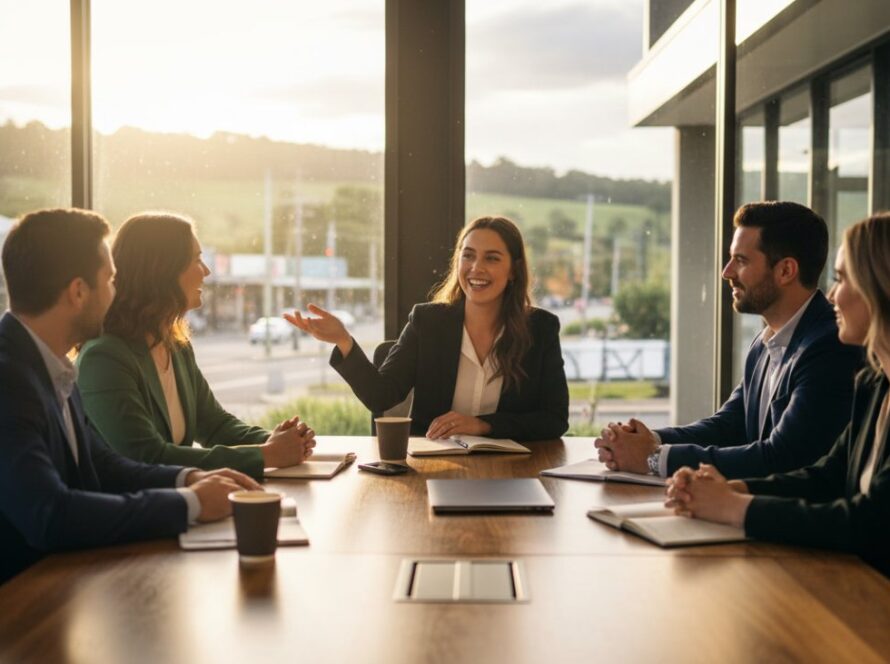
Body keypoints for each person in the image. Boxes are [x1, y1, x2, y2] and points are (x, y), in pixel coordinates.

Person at [0, 208, 261, 584]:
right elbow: (51, 514)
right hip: (21, 609)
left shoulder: (50, 366)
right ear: (78, 292)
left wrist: (188, 479)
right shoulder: (9, 379)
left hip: (62, 583)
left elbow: (104, 466)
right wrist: (191, 503)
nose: (116, 292)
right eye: (110, 279)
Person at [666, 213, 890, 577]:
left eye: (842, 279)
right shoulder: (873, 385)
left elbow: (867, 522)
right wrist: (728, 489)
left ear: (881, 288)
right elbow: (826, 478)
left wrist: (734, 507)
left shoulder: (829, 353)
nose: (831, 295)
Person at [596, 201, 862, 479]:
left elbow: (782, 457)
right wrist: (646, 439)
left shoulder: (829, 346)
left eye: (741, 260)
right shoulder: (765, 341)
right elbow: (728, 426)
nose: (727, 272)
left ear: (785, 271)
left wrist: (653, 458)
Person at [285, 216, 569, 441]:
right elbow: (381, 396)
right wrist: (344, 340)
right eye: (468, 256)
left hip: (513, 472)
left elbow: (554, 420)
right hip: (434, 465)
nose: (476, 268)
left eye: (492, 258)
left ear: (514, 270)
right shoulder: (429, 321)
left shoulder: (541, 329)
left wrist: (482, 425)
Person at [77, 213, 315, 481]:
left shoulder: (175, 344)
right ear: (162, 271)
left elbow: (214, 424)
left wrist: (285, 441)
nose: (206, 271)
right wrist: (267, 454)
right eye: (196, 260)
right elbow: (148, 457)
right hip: (136, 513)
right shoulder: (105, 358)